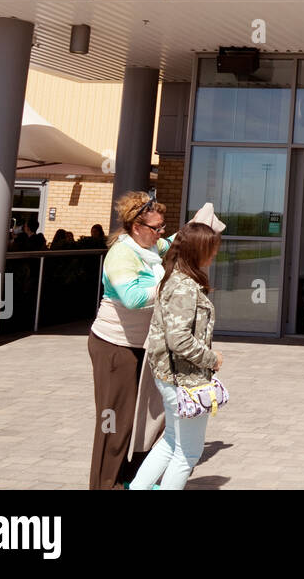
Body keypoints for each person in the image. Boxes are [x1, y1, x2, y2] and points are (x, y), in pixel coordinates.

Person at [130, 205, 225, 490]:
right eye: (212, 248)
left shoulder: (176, 279)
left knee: (172, 440)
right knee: (188, 453)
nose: (215, 253)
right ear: (198, 251)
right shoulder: (184, 287)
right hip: (184, 379)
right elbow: (179, 339)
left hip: (169, 377)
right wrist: (212, 358)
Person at [87, 190, 170, 489]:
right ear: (137, 227)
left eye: (162, 226)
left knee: (133, 422)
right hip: (114, 348)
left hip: (138, 347)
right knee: (113, 423)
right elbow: (133, 298)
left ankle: (128, 479)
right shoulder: (122, 255)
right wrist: (169, 285)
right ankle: (104, 484)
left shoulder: (149, 245)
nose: (161, 233)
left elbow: (173, 244)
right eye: (156, 227)